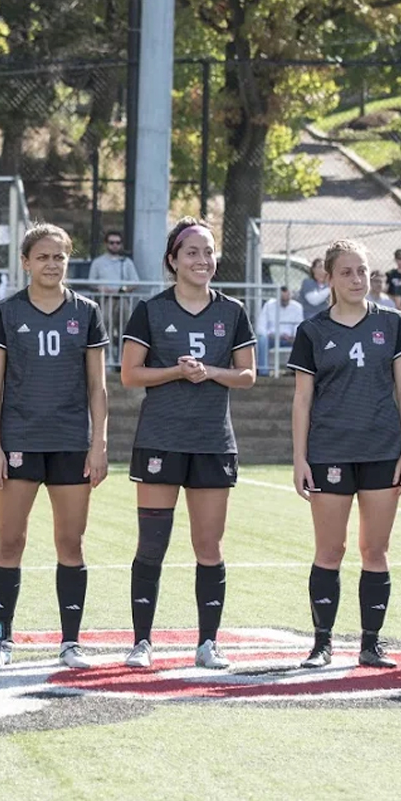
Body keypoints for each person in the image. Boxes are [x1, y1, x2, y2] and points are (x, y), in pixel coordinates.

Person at [118, 218, 256, 671]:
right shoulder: (151, 310)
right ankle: (142, 642)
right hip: (161, 439)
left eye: (209, 251)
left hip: (213, 443)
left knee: (208, 546)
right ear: (173, 260)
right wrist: (176, 372)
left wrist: (211, 372)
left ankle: (208, 643)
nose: (202, 260)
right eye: (192, 252)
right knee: (152, 544)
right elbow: (130, 374)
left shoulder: (232, 311)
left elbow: (248, 375)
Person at [0, 224, 109, 670]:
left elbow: (98, 386)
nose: (52, 264)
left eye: (60, 256)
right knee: (10, 541)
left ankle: (71, 642)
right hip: (19, 441)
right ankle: (0, 640)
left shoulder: (86, 311)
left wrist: (99, 443)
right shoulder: (7, 312)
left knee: (71, 543)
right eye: (44, 256)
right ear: (26, 262)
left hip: (71, 442)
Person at [287, 239, 401, 670]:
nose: (357, 279)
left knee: (375, 551)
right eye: (347, 272)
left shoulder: (394, 323)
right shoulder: (313, 330)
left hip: (382, 450)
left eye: (362, 271)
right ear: (328, 276)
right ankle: (321, 643)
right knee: (330, 550)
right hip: (330, 452)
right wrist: (300, 458)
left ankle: (371, 643)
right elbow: (302, 401)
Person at [256, 285, 305, 376]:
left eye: (287, 299)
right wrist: (271, 335)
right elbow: (261, 327)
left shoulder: (297, 307)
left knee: (303, 340)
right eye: (282, 299)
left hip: (290, 339)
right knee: (262, 340)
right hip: (272, 338)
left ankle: (298, 372)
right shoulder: (269, 305)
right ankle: (263, 373)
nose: (285, 301)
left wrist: (293, 336)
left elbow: (299, 325)